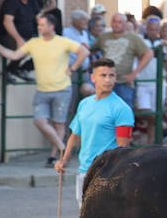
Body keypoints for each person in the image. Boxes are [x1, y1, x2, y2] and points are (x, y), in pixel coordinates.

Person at [0, 11, 90, 165]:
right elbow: (15, 55)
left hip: (62, 88)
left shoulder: (63, 41)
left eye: (42, 25)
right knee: (40, 122)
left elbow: (84, 52)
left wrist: (73, 68)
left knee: (59, 123)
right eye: (39, 25)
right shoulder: (34, 43)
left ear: (51, 26)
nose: (39, 27)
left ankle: (54, 156)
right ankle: (63, 147)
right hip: (42, 90)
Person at [57, 58, 133, 205]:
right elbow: (75, 135)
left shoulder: (121, 108)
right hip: (84, 171)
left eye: (112, 75)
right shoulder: (84, 103)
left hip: (107, 173)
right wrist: (64, 160)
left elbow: (122, 149)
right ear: (93, 78)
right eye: (103, 75)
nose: (108, 80)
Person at [93, 12, 154, 107]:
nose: (116, 24)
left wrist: (134, 73)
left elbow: (149, 53)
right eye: (114, 21)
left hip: (124, 82)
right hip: (105, 81)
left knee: (124, 113)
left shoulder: (134, 38)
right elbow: (91, 50)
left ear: (125, 24)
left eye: (119, 22)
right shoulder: (103, 37)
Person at [0, 0, 44, 80]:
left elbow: (39, 18)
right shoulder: (12, 1)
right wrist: (18, 39)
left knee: (47, 46)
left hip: (29, 37)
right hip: (8, 37)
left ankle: (23, 69)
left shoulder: (32, 1)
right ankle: (9, 70)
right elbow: (7, 22)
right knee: (27, 45)